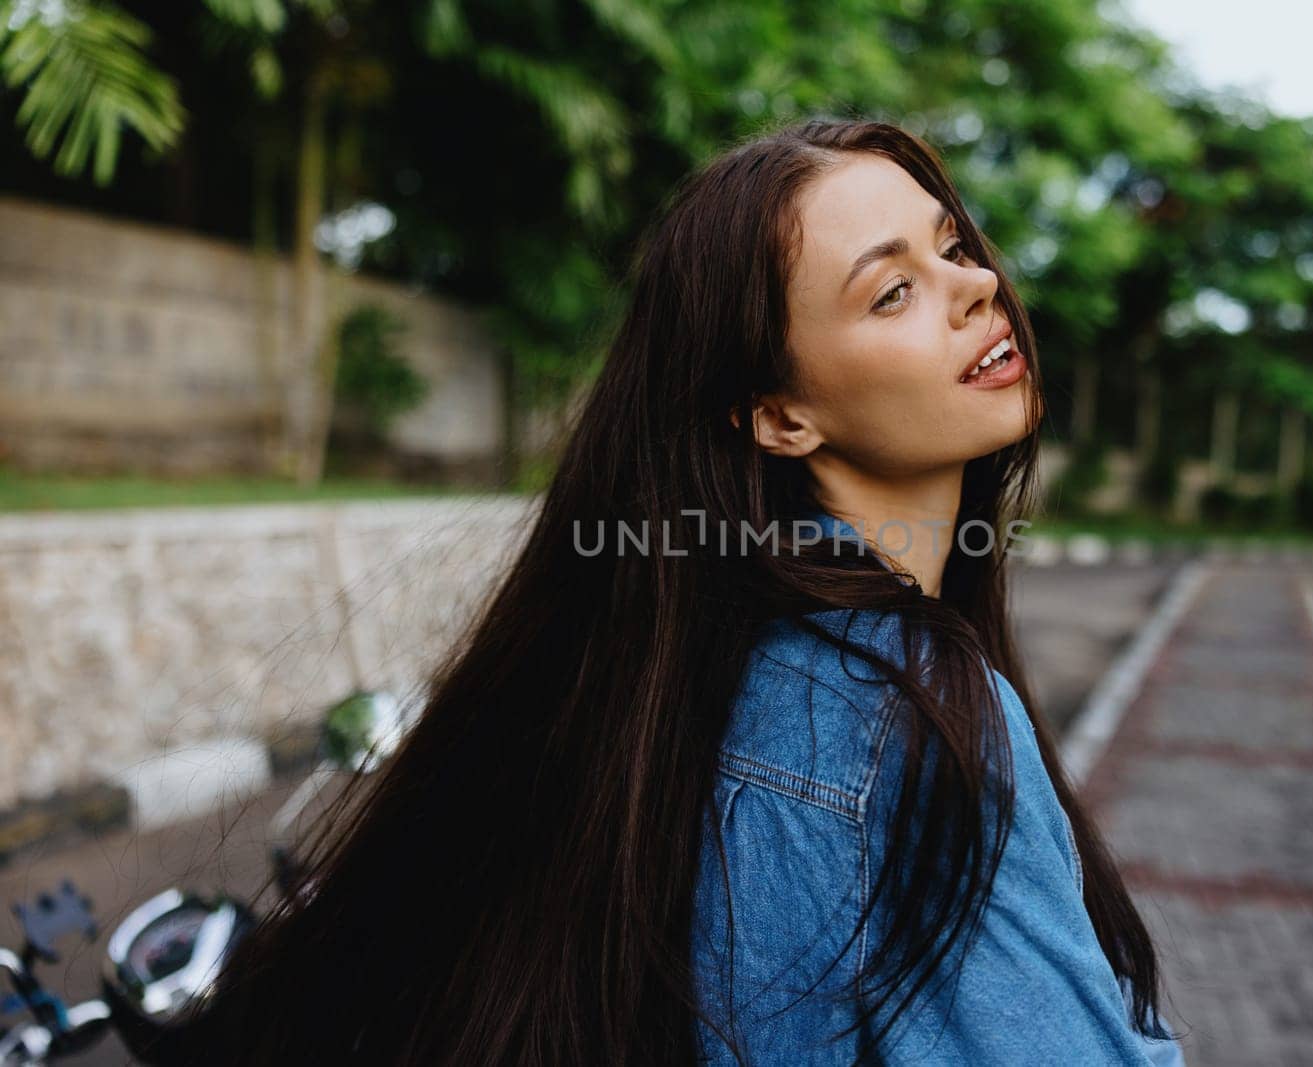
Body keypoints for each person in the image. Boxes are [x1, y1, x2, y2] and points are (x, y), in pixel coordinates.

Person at [169, 117, 1183, 1065]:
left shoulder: (681, 663)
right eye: (890, 290)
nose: (974, 287)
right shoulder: (911, 716)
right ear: (780, 416)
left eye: (953, 247)